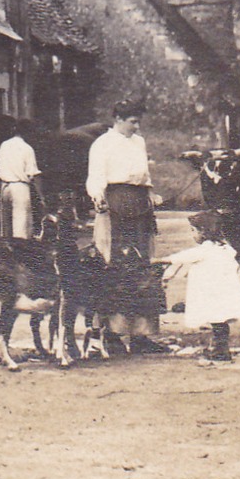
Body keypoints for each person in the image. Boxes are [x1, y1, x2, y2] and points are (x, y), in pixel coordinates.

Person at [86, 100, 169, 354]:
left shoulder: (139, 142)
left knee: (142, 265)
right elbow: (96, 177)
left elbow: (146, 177)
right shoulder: (102, 144)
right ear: (118, 119)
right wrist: (98, 199)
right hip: (115, 204)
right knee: (116, 264)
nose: (137, 125)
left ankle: (142, 334)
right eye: (132, 121)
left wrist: (152, 196)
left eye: (138, 120)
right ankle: (112, 332)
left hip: (140, 206)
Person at [159, 210, 240, 362]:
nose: (193, 235)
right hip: (221, 291)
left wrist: (161, 260)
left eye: (193, 231)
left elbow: (183, 257)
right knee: (220, 322)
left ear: (203, 232)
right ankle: (221, 349)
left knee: (218, 322)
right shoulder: (223, 248)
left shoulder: (206, 249)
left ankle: (220, 350)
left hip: (212, 292)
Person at [0, 118, 45, 241]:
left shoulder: (4, 145)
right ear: (27, 132)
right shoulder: (27, 148)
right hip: (20, 187)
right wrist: (41, 197)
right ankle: (20, 252)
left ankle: (6, 251)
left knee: (6, 224)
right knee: (21, 224)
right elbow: (33, 173)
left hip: (5, 187)